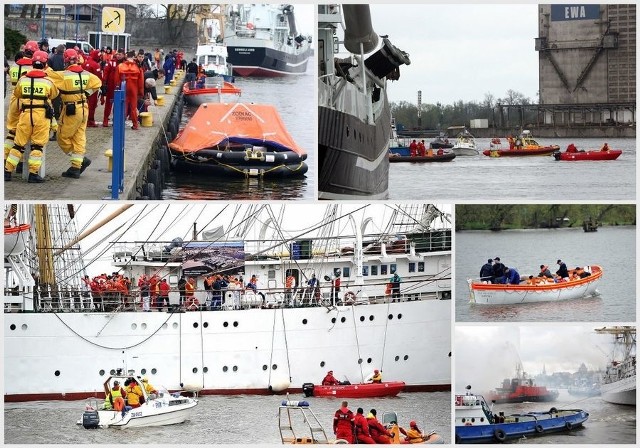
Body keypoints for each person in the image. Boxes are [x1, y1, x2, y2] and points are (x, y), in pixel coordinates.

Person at [4, 50, 59, 183]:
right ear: (45, 64)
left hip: (25, 115)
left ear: (33, 63)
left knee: (18, 145)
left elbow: (17, 93)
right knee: (37, 146)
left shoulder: (23, 79)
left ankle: (7, 172)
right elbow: (54, 95)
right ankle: (33, 174)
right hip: (41, 116)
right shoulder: (48, 81)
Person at [47, 48, 101, 179]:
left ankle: (80, 160)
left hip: (71, 110)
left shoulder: (63, 75)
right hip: (84, 108)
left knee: (62, 137)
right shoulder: (86, 74)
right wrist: (85, 94)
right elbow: (98, 83)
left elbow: (48, 74)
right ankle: (76, 168)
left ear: (66, 60)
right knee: (79, 137)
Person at [117, 50, 144, 130]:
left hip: (123, 88)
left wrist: (117, 90)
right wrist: (141, 93)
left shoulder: (120, 66)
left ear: (126, 57)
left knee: (123, 107)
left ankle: (121, 124)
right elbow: (141, 82)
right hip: (134, 89)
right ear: (133, 57)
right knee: (133, 108)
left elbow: (117, 80)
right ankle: (135, 124)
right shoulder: (138, 67)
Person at [101, 49, 125, 127]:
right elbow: (106, 72)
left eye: (120, 54)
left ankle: (116, 120)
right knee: (108, 103)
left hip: (121, 86)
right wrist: (104, 83)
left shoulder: (125, 64)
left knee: (119, 104)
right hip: (111, 87)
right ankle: (105, 119)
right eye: (117, 54)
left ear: (124, 55)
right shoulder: (111, 62)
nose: (118, 56)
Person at [82, 49, 103, 127]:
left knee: (85, 103)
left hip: (85, 87)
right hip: (93, 87)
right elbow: (99, 77)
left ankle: (85, 119)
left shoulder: (85, 63)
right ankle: (90, 121)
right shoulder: (95, 65)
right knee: (92, 104)